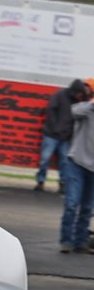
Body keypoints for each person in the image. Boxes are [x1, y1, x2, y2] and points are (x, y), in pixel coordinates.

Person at [36, 79, 89, 191]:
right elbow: (50, 110)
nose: (80, 96)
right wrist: (55, 127)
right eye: (79, 93)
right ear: (75, 91)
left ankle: (62, 182)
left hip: (64, 136)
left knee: (63, 161)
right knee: (45, 159)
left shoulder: (79, 99)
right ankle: (41, 181)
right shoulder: (60, 95)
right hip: (52, 134)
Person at [61, 91, 94, 253]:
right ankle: (66, 241)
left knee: (87, 208)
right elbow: (74, 111)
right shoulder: (87, 109)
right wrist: (92, 104)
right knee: (72, 204)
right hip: (77, 163)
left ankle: (80, 242)